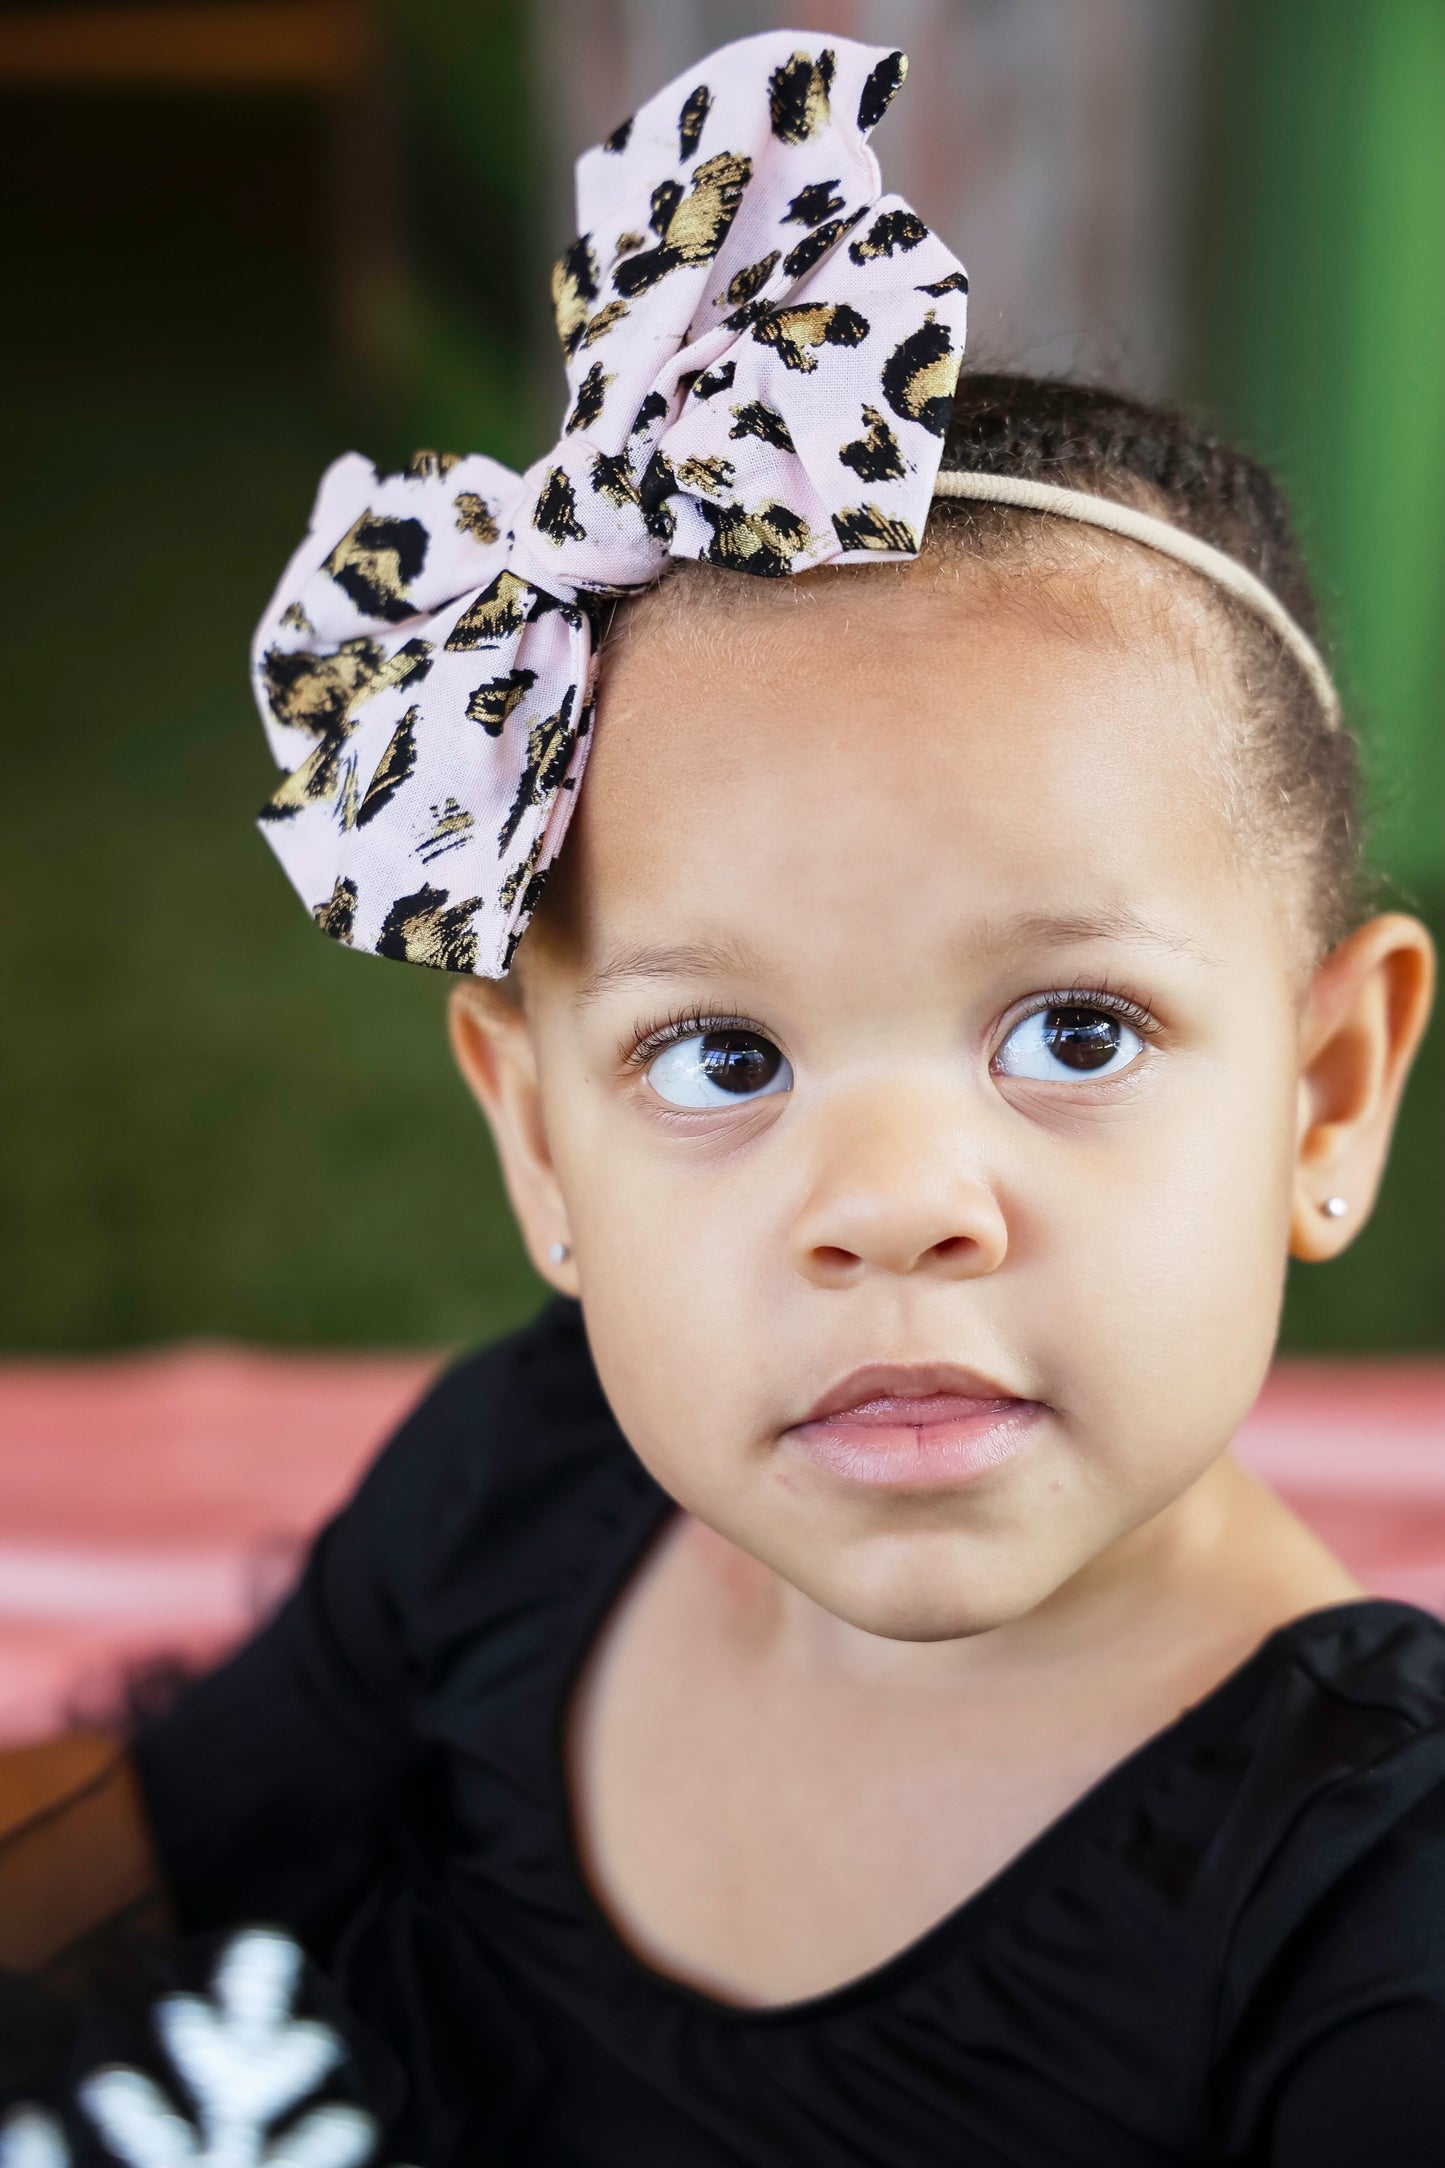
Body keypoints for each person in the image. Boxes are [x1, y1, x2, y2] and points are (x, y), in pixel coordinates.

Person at [1, 28, 1439, 2167]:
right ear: (537, 1138)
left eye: (1073, 1033)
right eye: (721, 1058)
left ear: (1325, 1096)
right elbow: (147, 1845)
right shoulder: (525, 1475)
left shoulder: (1364, 1903)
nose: (894, 1202)